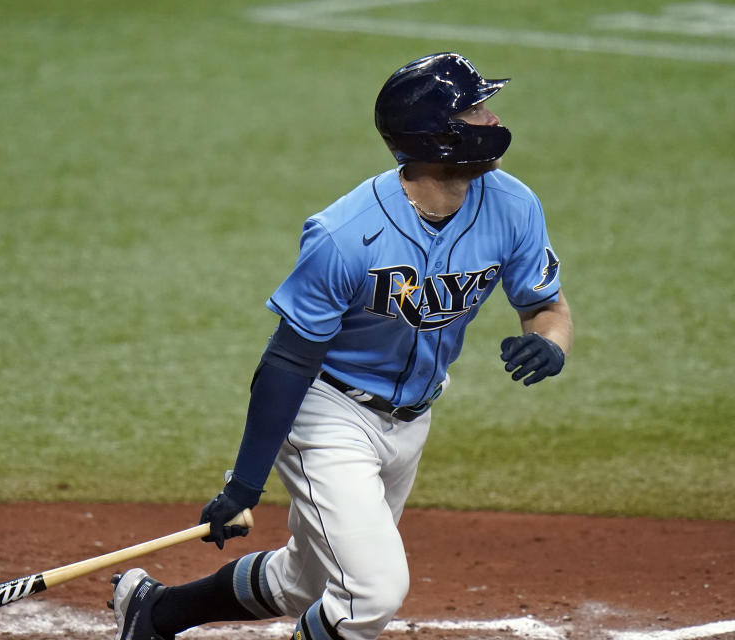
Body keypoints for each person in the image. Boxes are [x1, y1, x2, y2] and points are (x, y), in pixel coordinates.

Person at [107, 52, 574, 640]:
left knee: (308, 579)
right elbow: (287, 360)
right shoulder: (345, 234)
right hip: (328, 414)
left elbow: (546, 308)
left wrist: (549, 344)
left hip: (413, 417)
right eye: (475, 109)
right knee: (371, 594)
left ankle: (155, 610)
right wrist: (245, 482)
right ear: (440, 135)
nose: (493, 117)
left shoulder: (513, 206)